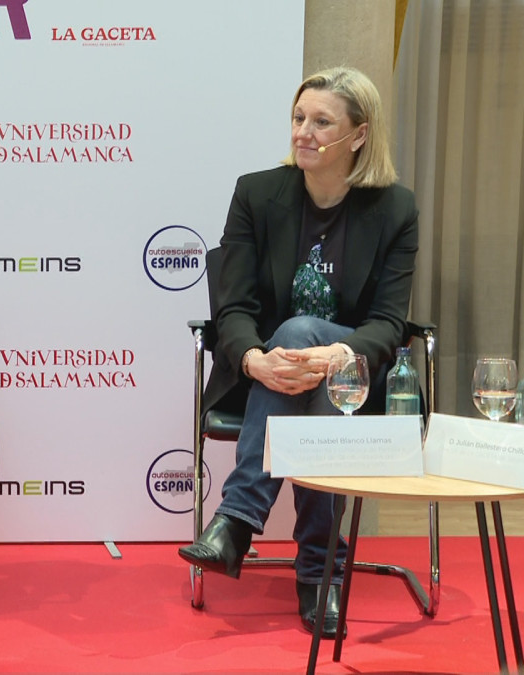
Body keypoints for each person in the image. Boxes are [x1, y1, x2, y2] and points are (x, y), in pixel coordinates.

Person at [177, 67, 418, 638]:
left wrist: (339, 354)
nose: (303, 132)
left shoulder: (394, 209)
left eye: (321, 122)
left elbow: (388, 320)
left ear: (358, 135)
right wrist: (255, 358)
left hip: (354, 375)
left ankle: (236, 521)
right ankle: (320, 573)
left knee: (305, 334)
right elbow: (232, 307)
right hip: (269, 374)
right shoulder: (257, 193)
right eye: (298, 118)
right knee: (294, 340)